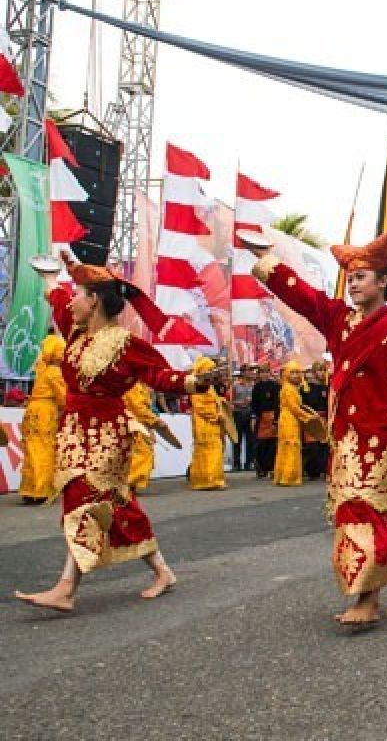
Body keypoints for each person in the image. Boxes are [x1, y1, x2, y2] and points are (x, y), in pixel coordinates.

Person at [249, 229, 387, 626]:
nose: (353, 285)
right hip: (347, 434)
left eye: (361, 277)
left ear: (383, 281)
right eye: (350, 278)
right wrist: (269, 260)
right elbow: (303, 296)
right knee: (377, 515)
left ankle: (366, 599)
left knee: (362, 510)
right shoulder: (338, 319)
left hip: (386, 434)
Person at [14, 255, 213, 612]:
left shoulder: (126, 343)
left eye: (79, 294)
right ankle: (162, 571)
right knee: (117, 505)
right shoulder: (74, 333)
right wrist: (49, 275)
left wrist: (194, 382)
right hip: (74, 431)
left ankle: (66, 588)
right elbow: (57, 298)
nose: (71, 300)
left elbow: (161, 376)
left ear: (94, 300)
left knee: (83, 498)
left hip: (107, 433)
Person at [18, 334, 66, 504]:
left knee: (31, 451)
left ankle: (28, 489)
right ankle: (41, 490)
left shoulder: (42, 369)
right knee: (44, 451)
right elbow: (63, 398)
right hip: (45, 413)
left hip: (33, 411)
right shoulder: (55, 372)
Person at [187, 356, 226, 490]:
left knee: (211, 450)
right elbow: (200, 407)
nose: (213, 373)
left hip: (211, 423)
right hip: (204, 423)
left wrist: (221, 404)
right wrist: (216, 416)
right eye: (210, 370)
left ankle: (208, 480)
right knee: (210, 450)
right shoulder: (197, 387)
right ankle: (210, 480)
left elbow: (214, 402)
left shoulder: (209, 387)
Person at [273, 360, 306, 488]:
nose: (296, 375)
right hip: (289, 420)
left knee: (286, 447)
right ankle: (288, 477)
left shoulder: (291, 388)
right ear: (286, 374)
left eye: (298, 372)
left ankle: (283, 476)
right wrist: (308, 417)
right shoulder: (288, 389)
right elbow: (294, 408)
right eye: (293, 373)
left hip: (290, 419)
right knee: (291, 446)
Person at [124, 382, 159, 493]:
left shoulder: (140, 385)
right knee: (141, 454)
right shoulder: (134, 386)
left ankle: (130, 485)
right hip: (135, 425)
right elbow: (138, 408)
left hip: (141, 424)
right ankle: (128, 483)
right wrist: (154, 421)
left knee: (140, 454)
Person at [302, 359, 331, 480]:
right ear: (314, 372)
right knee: (312, 446)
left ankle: (324, 469)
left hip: (324, 418)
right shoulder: (307, 387)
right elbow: (303, 404)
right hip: (312, 419)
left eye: (324, 370)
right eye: (319, 370)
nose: (322, 373)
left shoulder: (327, 386)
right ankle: (311, 471)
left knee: (324, 446)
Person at [251, 366, 280, 478]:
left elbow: (278, 404)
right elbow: (254, 405)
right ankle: (261, 469)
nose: (264, 374)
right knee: (260, 445)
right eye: (262, 372)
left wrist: (276, 421)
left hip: (273, 417)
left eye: (266, 372)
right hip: (261, 418)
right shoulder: (257, 387)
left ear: (270, 373)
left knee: (272, 445)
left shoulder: (275, 386)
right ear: (259, 374)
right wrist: (254, 417)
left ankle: (272, 468)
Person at [231, 366, 256, 471]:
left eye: (251, 371)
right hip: (238, 414)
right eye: (248, 371)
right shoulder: (235, 386)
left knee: (250, 439)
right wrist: (240, 403)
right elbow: (230, 402)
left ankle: (249, 462)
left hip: (249, 414)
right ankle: (236, 463)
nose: (251, 373)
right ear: (243, 372)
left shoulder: (254, 385)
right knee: (237, 439)